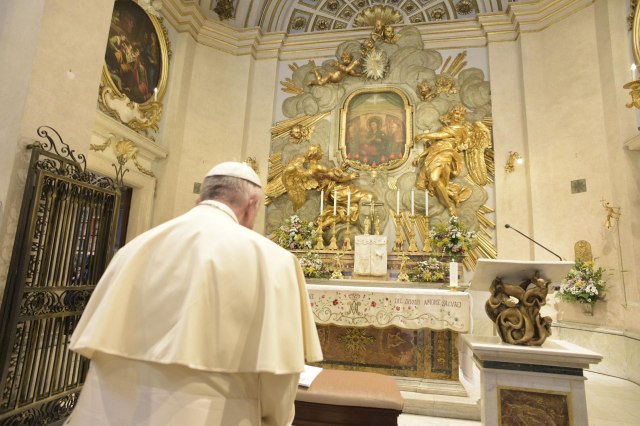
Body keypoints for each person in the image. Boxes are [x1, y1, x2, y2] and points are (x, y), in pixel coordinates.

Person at [66, 162, 323, 426]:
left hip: (109, 411)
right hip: (211, 414)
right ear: (253, 204)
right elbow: (278, 376)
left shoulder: (135, 248)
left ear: (200, 198)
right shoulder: (273, 261)